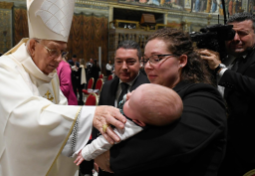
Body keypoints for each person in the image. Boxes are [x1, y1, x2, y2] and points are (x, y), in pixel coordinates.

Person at [0, 0, 127, 176]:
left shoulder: (49, 75)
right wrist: (89, 115)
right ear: (33, 46)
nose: (59, 60)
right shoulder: (4, 69)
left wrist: (89, 151)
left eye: (63, 52)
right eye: (53, 50)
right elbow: (22, 116)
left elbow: (60, 117)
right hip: (8, 164)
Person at [95, 28, 227, 176]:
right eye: (145, 60)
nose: (147, 66)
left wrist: (110, 156)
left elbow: (174, 142)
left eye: (157, 58)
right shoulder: (152, 93)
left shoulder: (205, 98)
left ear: (182, 60)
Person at [198, 13, 255, 176]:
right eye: (231, 34)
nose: (236, 38)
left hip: (247, 147)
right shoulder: (223, 56)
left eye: (243, 33)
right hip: (218, 141)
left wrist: (220, 69)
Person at [74, 83, 183, 165]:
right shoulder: (139, 110)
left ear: (138, 122)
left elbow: (104, 141)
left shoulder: (128, 127)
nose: (128, 96)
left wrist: (86, 153)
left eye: (130, 102)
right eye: (134, 92)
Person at [96, 40, 150, 176]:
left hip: (135, 162)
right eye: (119, 61)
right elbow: (99, 120)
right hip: (106, 157)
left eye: (130, 62)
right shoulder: (108, 86)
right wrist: (97, 153)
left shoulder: (150, 88)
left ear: (141, 62)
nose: (124, 67)